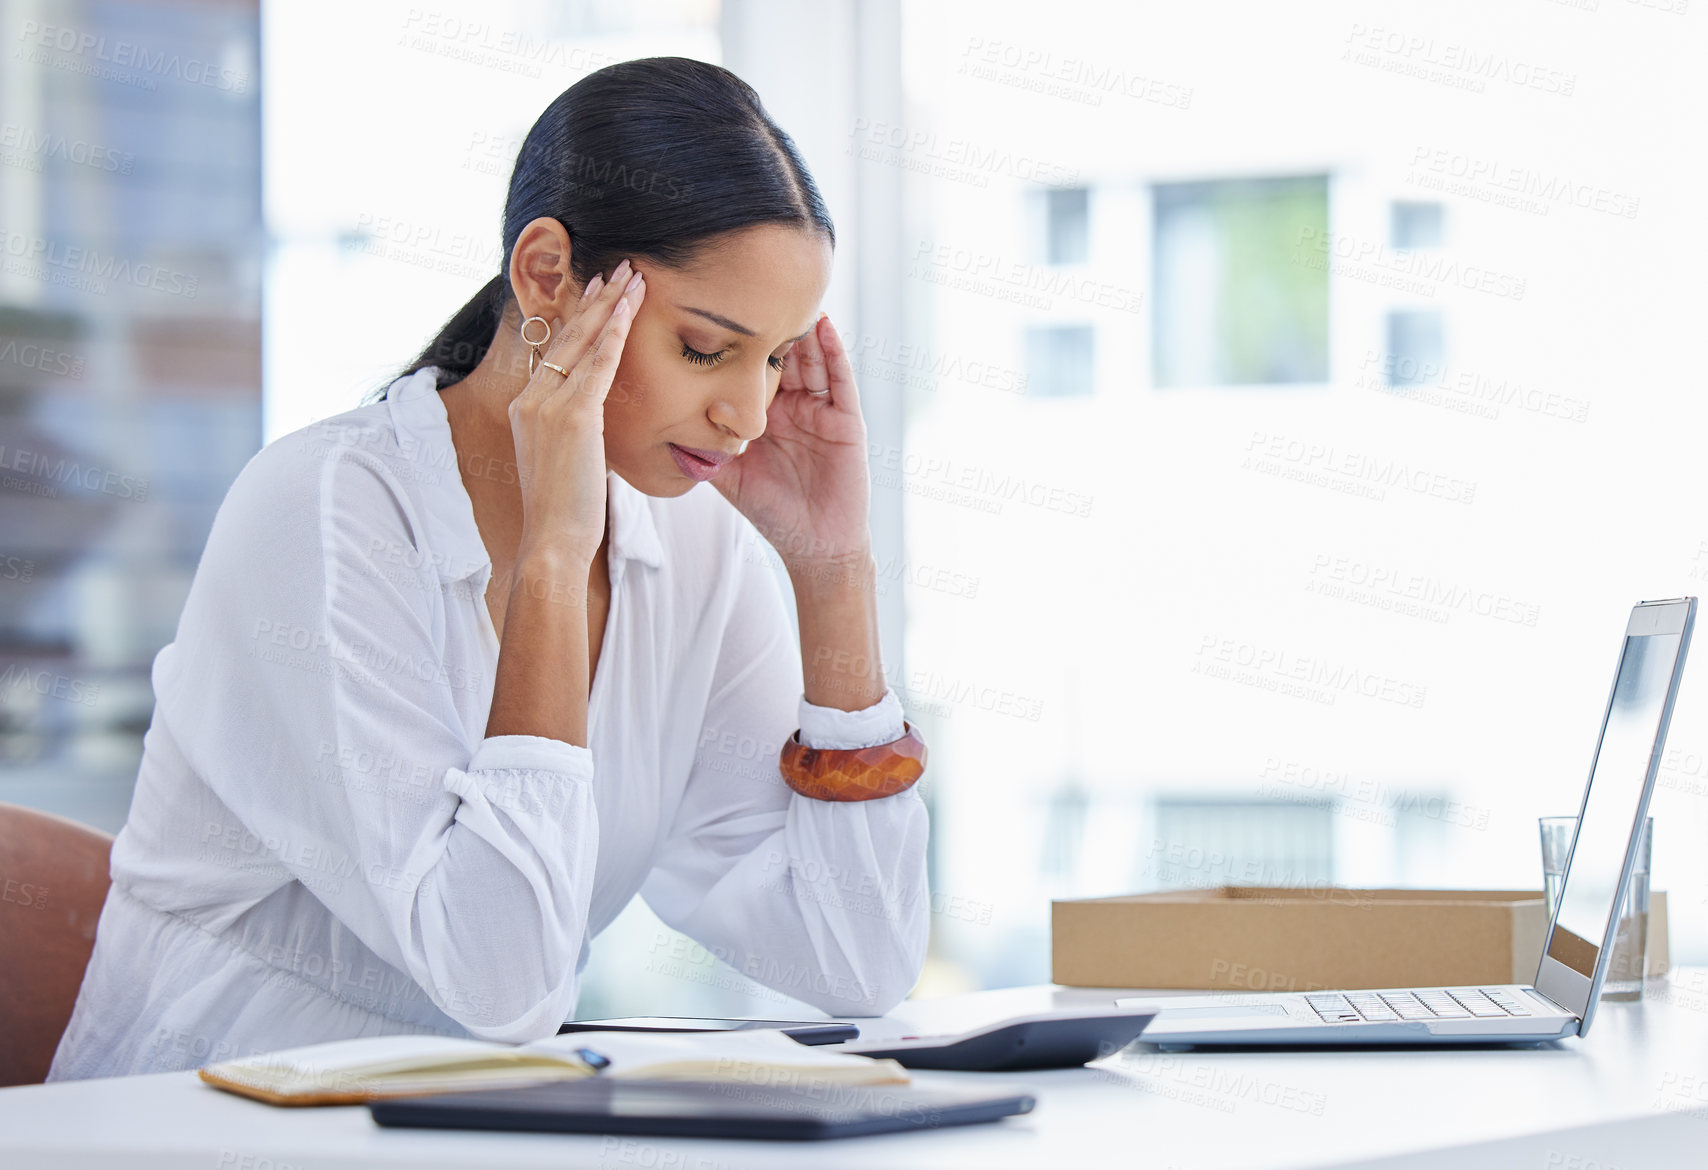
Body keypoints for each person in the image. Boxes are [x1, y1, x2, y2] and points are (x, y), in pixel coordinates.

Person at [47, 57, 930, 1081]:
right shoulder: (324, 512)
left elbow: (855, 961)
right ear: (547, 275)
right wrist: (555, 556)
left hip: (467, 1130)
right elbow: (500, 984)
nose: (747, 413)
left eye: (774, 358)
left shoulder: (694, 547)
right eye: (704, 349)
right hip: (206, 1129)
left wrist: (833, 573)